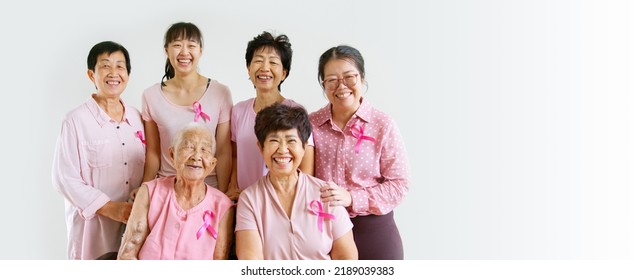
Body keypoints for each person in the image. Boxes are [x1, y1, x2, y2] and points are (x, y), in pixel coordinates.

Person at [310, 45, 410, 260]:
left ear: (362, 78)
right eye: (332, 80)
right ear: (323, 84)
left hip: (374, 232)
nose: (341, 86)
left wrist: (352, 198)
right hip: (325, 232)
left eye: (349, 77)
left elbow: (399, 184)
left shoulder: (382, 124)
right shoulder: (311, 124)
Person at [51, 41, 145, 260]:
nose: (114, 73)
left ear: (128, 75)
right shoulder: (75, 120)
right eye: (105, 66)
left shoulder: (137, 118)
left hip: (134, 226)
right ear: (91, 75)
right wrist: (110, 207)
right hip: (92, 230)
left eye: (120, 66)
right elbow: (64, 179)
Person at [235, 103, 357, 260]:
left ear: (304, 147)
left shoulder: (326, 194)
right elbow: (251, 263)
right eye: (274, 141)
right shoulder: (250, 199)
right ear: (261, 147)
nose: (282, 150)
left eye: (291, 141)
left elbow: (346, 259)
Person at [118, 123, 234, 259]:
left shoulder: (223, 206)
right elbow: (127, 254)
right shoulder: (149, 192)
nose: (196, 156)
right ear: (172, 155)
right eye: (189, 147)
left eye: (204, 150)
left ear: (212, 163)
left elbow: (219, 264)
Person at [141, 22, 232, 193]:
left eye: (191, 45)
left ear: (200, 51)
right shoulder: (150, 96)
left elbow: (223, 151)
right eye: (177, 45)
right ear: (166, 50)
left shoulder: (220, 92)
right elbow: (153, 153)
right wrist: (143, 189)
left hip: (208, 189)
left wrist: (223, 194)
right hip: (167, 189)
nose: (184, 52)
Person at [226, 31, 314, 201]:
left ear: (284, 73)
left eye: (273, 62)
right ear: (248, 68)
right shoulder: (238, 110)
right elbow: (235, 157)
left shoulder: (295, 111)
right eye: (258, 61)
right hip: (245, 200)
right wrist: (233, 188)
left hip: (282, 201)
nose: (265, 68)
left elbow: (306, 166)